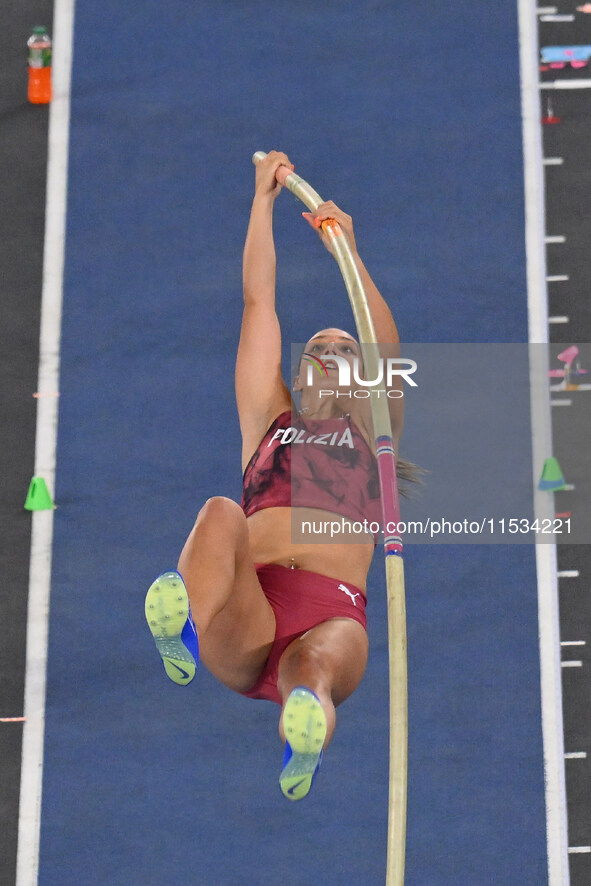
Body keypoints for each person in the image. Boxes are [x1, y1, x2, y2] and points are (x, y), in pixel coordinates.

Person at [145, 150, 409, 801]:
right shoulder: (266, 419)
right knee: (219, 511)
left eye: (342, 351)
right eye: (318, 348)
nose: (330, 353)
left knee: (313, 665)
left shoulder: (371, 431)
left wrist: (347, 252)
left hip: (331, 611)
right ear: (297, 372)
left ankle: (302, 739)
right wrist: (261, 203)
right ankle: (179, 627)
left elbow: (384, 343)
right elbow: (257, 300)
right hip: (248, 608)